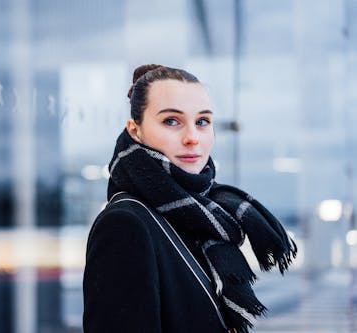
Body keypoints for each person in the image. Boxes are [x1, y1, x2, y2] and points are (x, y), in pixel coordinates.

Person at [82, 64, 297, 333]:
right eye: (171, 121)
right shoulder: (125, 224)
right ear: (135, 130)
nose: (192, 138)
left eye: (202, 121)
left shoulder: (203, 215)